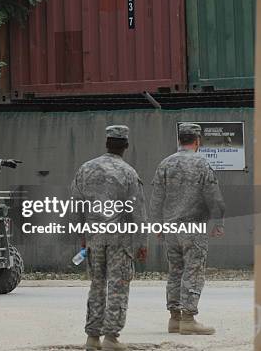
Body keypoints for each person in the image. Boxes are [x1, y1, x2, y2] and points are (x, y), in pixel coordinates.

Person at [70, 125, 147, 351]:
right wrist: (142, 242)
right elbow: (138, 212)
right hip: (120, 241)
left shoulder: (86, 169)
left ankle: (92, 338)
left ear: (106, 143)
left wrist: (82, 236)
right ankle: (111, 338)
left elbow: (75, 206)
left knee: (96, 285)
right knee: (117, 286)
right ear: (125, 146)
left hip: (94, 239)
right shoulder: (128, 173)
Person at [149, 123, 225, 335]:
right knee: (193, 270)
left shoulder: (165, 164)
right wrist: (218, 222)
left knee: (175, 271)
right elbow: (213, 195)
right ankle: (189, 319)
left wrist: (156, 224)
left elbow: (156, 197)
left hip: (170, 229)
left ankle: (174, 318)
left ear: (179, 140)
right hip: (193, 228)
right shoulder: (202, 163)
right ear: (197, 141)